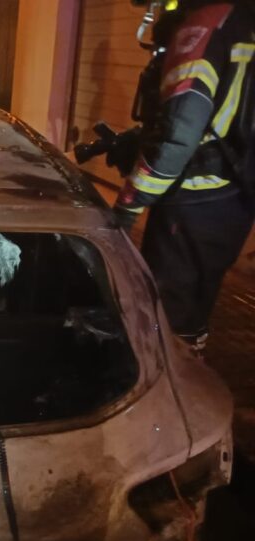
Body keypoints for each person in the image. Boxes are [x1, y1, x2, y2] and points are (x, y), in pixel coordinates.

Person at [113, 0, 255, 351]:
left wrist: (130, 204)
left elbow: (178, 135)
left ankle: (173, 393)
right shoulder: (242, 22)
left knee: (165, 320)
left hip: (194, 200)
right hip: (233, 198)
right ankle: (191, 361)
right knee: (194, 312)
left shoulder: (207, 26)